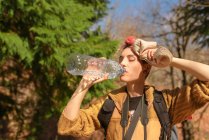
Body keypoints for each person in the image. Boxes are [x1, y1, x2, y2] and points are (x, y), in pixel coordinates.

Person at [57, 36, 209, 140]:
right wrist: (84, 84)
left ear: (145, 68)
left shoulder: (166, 103)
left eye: (130, 59)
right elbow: (67, 126)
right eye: (121, 59)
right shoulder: (109, 103)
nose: (122, 63)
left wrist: (170, 60)